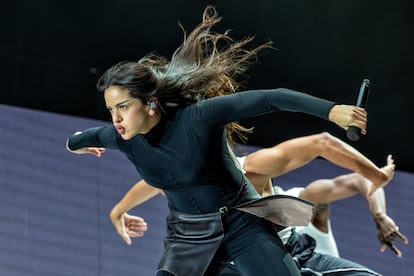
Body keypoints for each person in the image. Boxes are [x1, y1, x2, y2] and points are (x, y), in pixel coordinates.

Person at [66, 5, 382, 275]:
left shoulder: (198, 118)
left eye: (122, 107)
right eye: (110, 110)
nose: (115, 119)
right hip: (187, 239)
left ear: (150, 103)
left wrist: (332, 111)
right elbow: (80, 139)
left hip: (242, 226)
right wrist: (79, 149)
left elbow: (271, 99)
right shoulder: (121, 137)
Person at [115, 133, 407, 275]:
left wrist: (379, 210)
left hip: (298, 258)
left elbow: (337, 160)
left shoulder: (296, 195)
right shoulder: (191, 179)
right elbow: (153, 181)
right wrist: (119, 211)